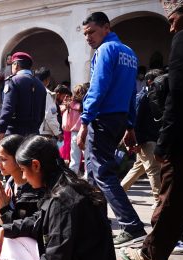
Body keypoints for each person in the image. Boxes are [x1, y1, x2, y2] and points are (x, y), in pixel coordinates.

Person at [0, 136, 121, 260]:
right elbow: (37, 221)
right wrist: (4, 229)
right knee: (12, 249)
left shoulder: (63, 200)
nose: (24, 176)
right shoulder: (65, 187)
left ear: (36, 165)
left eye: (23, 170)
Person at [120, 0, 183, 260]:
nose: (172, 29)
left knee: (173, 197)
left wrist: (164, 143)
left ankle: (151, 255)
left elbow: (180, 96)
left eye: (172, 20)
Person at [78, 12, 146, 245]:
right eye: (85, 34)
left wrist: (84, 121)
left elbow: (98, 87)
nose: (88, 37)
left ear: (106, 28)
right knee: (95, 173)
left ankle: (131, 225)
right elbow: (131, 93)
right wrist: (129, 125)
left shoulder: (106, 50)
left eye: (91, 32)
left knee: (102, 172)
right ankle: (98, 224)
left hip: (103, 118)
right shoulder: (129, 52)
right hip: (118, 119)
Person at [120, 69, 163, 208]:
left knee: (138, 168)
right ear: (150, 81)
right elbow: (135, 121)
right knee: (153, 170)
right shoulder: (143, 97)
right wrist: (136, 141)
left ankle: (119, 193)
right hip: (145, 139)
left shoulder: (154, 96)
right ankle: (159, 201)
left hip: (151, 138)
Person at [0, 135, 44, 227]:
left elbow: (24, 226)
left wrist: (3, 208)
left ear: (18, 158)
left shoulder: (33, 186)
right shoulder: (10, 183)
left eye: (3, 159)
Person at [0, 52, 46, 141]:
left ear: (16, 65)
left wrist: (1, 130)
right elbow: (42, 113)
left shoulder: (13, 81)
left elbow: (8, 108)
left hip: (15, 133)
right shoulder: (40, 85)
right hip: (34, 133)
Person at [62, 84, 88, 174]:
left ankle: (73, 177)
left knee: (74, 158)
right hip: (85, 132)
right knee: (87, 156)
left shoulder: (70, 105)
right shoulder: (86, 105)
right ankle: (87, 177)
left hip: (74, 133)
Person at [35, 67, 62, 141]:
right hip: (44, 133)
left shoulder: (31, 92)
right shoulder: (46, 94)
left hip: (32, 131)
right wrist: (58, 132)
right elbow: (50, 115)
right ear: (47, 79)